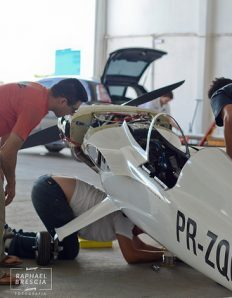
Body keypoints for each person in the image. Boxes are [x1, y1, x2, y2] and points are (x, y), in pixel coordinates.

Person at [0, 79, 87, 285]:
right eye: (72, 109)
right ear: (63, 100)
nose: (71, 114)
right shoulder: (35, 106)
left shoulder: (38, 91)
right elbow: (10, 151)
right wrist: (11, 184)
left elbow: (6, 126)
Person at [4, 175, 164, 264]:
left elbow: (139, 246)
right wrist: (164, 256)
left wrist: (171, 254)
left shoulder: (132, 221)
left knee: (60, 243)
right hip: (51, 191)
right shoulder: (127, 215)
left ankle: (12, 236)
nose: (145, 232)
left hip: (49, 187)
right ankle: (9, 242)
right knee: (67, 249)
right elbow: (132, 255)